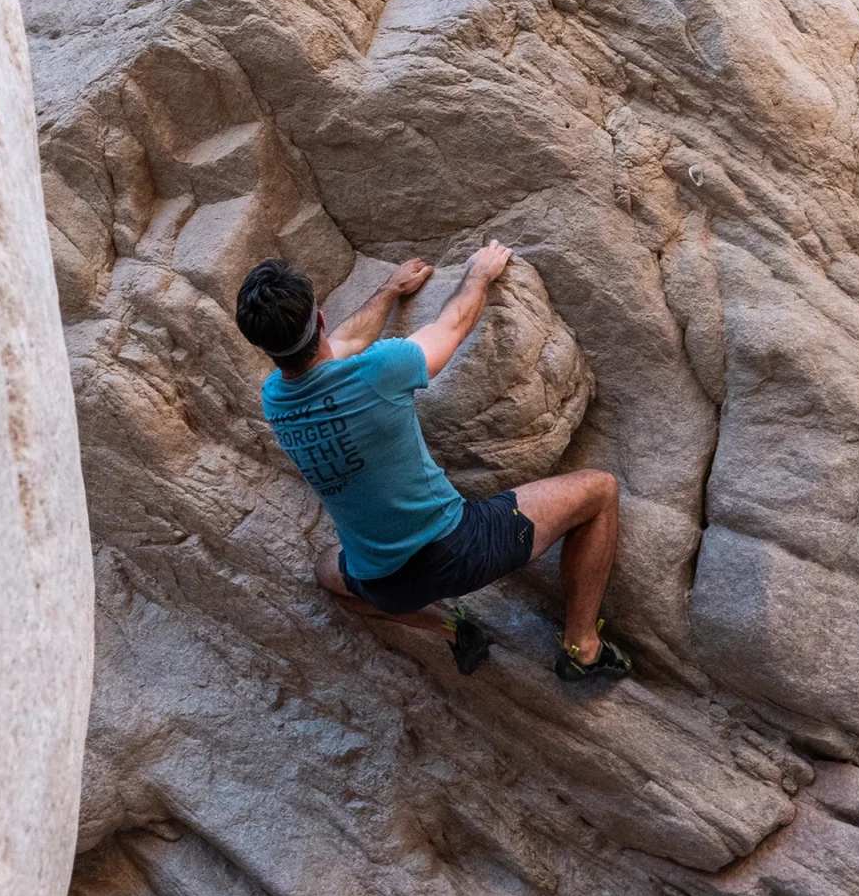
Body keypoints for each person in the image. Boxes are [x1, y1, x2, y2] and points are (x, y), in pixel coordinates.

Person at [234, 244, 631, 681]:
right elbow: (454, 325)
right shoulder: (381, 370)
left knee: (328, 571)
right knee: (601, 489)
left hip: (385, 586)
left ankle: (450, 627)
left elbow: (341, 345)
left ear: (264, 346)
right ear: (321, 318)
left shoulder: (274, 400)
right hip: (463, 548)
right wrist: (478, 275)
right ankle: (583, 649)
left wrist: (389, 291)